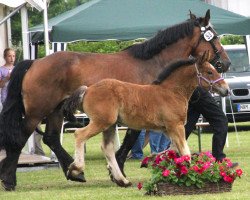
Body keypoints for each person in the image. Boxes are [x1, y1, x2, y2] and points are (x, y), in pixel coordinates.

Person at [0, 48, 45, 156]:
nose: (12, 58)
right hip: (6, 100)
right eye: (9, 56)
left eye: (14, 56)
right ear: (5, 57)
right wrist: (7, 78)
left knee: (32, 123)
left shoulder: (18, 69)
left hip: (20, 100)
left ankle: (38, 150)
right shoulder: (1, 70)